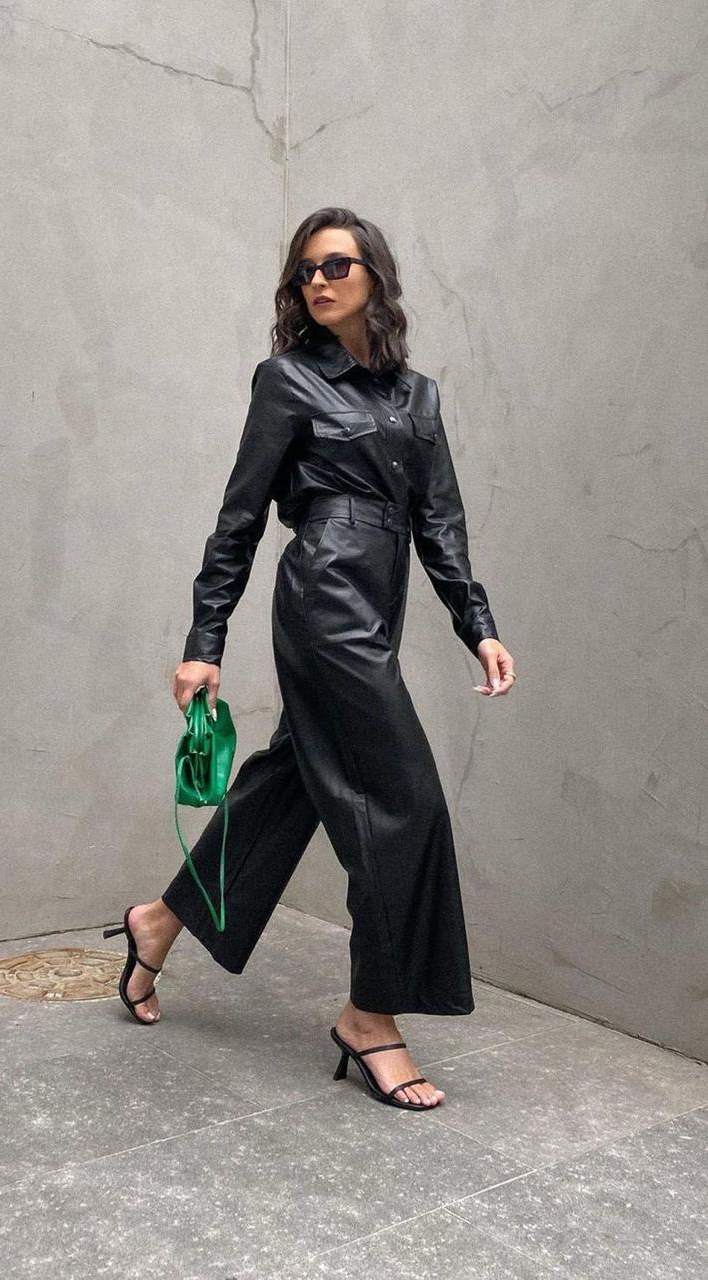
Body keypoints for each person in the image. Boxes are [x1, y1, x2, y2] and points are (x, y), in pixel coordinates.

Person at [103, 207, 517, 1112]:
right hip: (323, 597)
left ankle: (159, 921)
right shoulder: (288, 380)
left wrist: (476, 624)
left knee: (291, 780)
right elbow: (240, 516)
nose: (317, 282)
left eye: (336, 265)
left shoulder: (418, 397)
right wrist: (204, 642)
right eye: (304, 272)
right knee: (403, 803)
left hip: (380, 596)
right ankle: (370, 1018)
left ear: (375, 275)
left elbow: (438, 521)